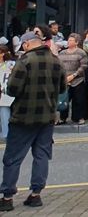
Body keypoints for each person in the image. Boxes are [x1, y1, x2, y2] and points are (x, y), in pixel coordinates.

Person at [1, 29, 66, 211]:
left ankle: (7, 196)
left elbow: (12, 89)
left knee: (13, 158)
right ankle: (36, 194)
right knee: (42, 155)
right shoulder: (56, 61)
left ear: (27, 44)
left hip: (23, 116)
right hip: (47, 117)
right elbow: (62, 88)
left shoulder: (24, 62)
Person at [56, 34, 88, 125]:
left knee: (78, 100)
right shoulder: (62, 53)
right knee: (64, 99)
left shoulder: (81, 52)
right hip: (65, 80)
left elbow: (84, 66)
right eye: (68, 40)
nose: (69, 41)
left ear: (76, 42)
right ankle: (63, 118)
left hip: (78, 79)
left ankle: (79, 117)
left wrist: (74, 75)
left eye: (71, 40)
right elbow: (59, 65)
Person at [0, 46, 15, 139]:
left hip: (6, 94)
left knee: (5, 113)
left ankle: (7, 134)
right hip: (3, 93)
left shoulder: (10, 64)